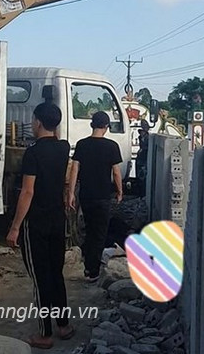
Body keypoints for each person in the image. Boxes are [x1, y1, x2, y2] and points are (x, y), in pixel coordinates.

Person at [6, 102, 75, 348]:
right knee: (56, 272)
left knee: (40, 277)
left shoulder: (33, 153)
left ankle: (45, 334)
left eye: (34, 120)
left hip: (36, 222)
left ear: (37, 122)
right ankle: (63, 325)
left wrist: (15, 227)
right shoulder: (63, 148)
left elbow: (28, 192)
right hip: (57, 219)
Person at [66, 111, 123, 283]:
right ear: (106, 127)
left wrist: (71, 193)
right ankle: (93, 270)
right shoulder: (112, 146)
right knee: (100, 232)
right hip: (103, 195)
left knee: (90, 230)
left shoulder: (82, 144)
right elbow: (116, 172)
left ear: (92, 124)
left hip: (86, 195)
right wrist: (119, 191)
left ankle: (88, 266)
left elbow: (74, 169)